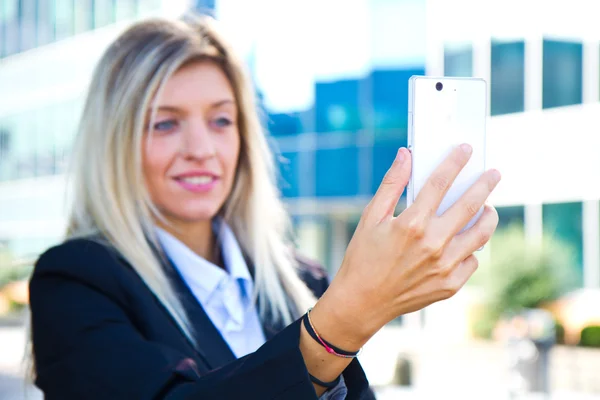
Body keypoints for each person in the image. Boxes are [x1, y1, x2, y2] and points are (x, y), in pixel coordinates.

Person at [27, 13, 501, 400]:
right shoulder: (73, 283)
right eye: (165, 124)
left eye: (220, 120)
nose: (201, 148)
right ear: (115, 143)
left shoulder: (302, 280)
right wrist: (345, 321)